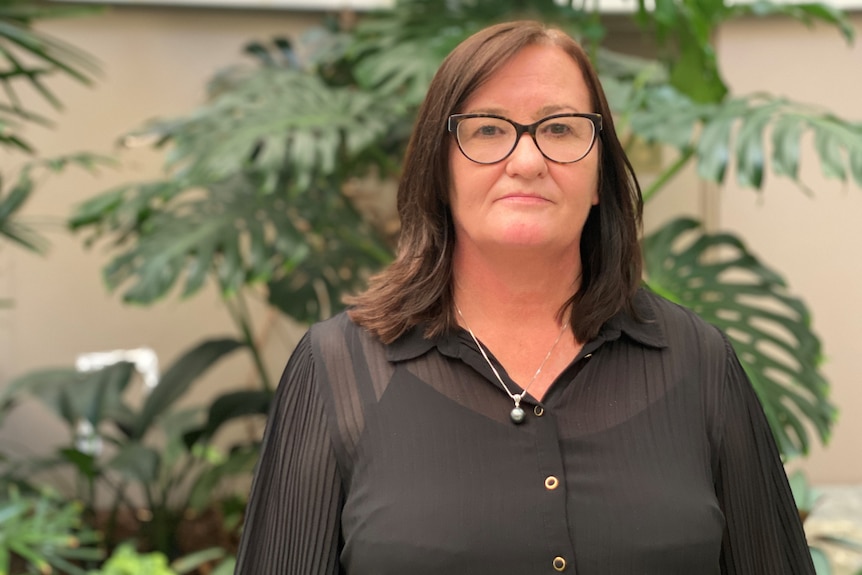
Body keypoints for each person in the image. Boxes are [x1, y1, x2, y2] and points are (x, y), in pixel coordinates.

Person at [234, 20, 814, 575]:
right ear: (440, 170)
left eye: (560, 128)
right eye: (488, 129)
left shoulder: (700, 363)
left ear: (599, 175)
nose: (528, 161)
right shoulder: (338, 370)